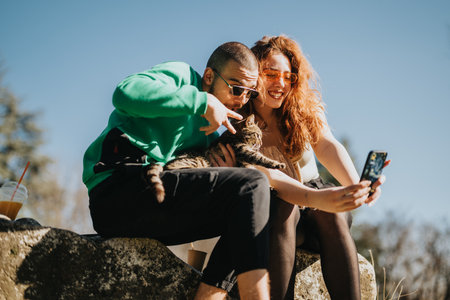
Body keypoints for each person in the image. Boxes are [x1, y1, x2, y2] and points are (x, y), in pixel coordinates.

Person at [82, 42, 273, 300]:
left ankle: (209, 295)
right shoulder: (182, 77)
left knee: (253, 204)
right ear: (208, 76)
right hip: (117, 189)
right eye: (237, 88)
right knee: (251, 185)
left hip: (155, 205)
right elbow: (124, 93)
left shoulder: (207, 133)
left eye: (249, 93)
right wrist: (202, 101)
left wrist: (222, 176)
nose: (242, 99)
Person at [211, 35, 385, 300]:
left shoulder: (302, 108)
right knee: (284, 205)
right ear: (255, 74)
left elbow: (327, 145)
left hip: (317, 209)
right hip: (275, 210)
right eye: (271, 74)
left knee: (332, 215)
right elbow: (271, 177)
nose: (280, 83)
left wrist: (356, 186)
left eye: (288, 77)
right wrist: (317, 198)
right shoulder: (239, 117)